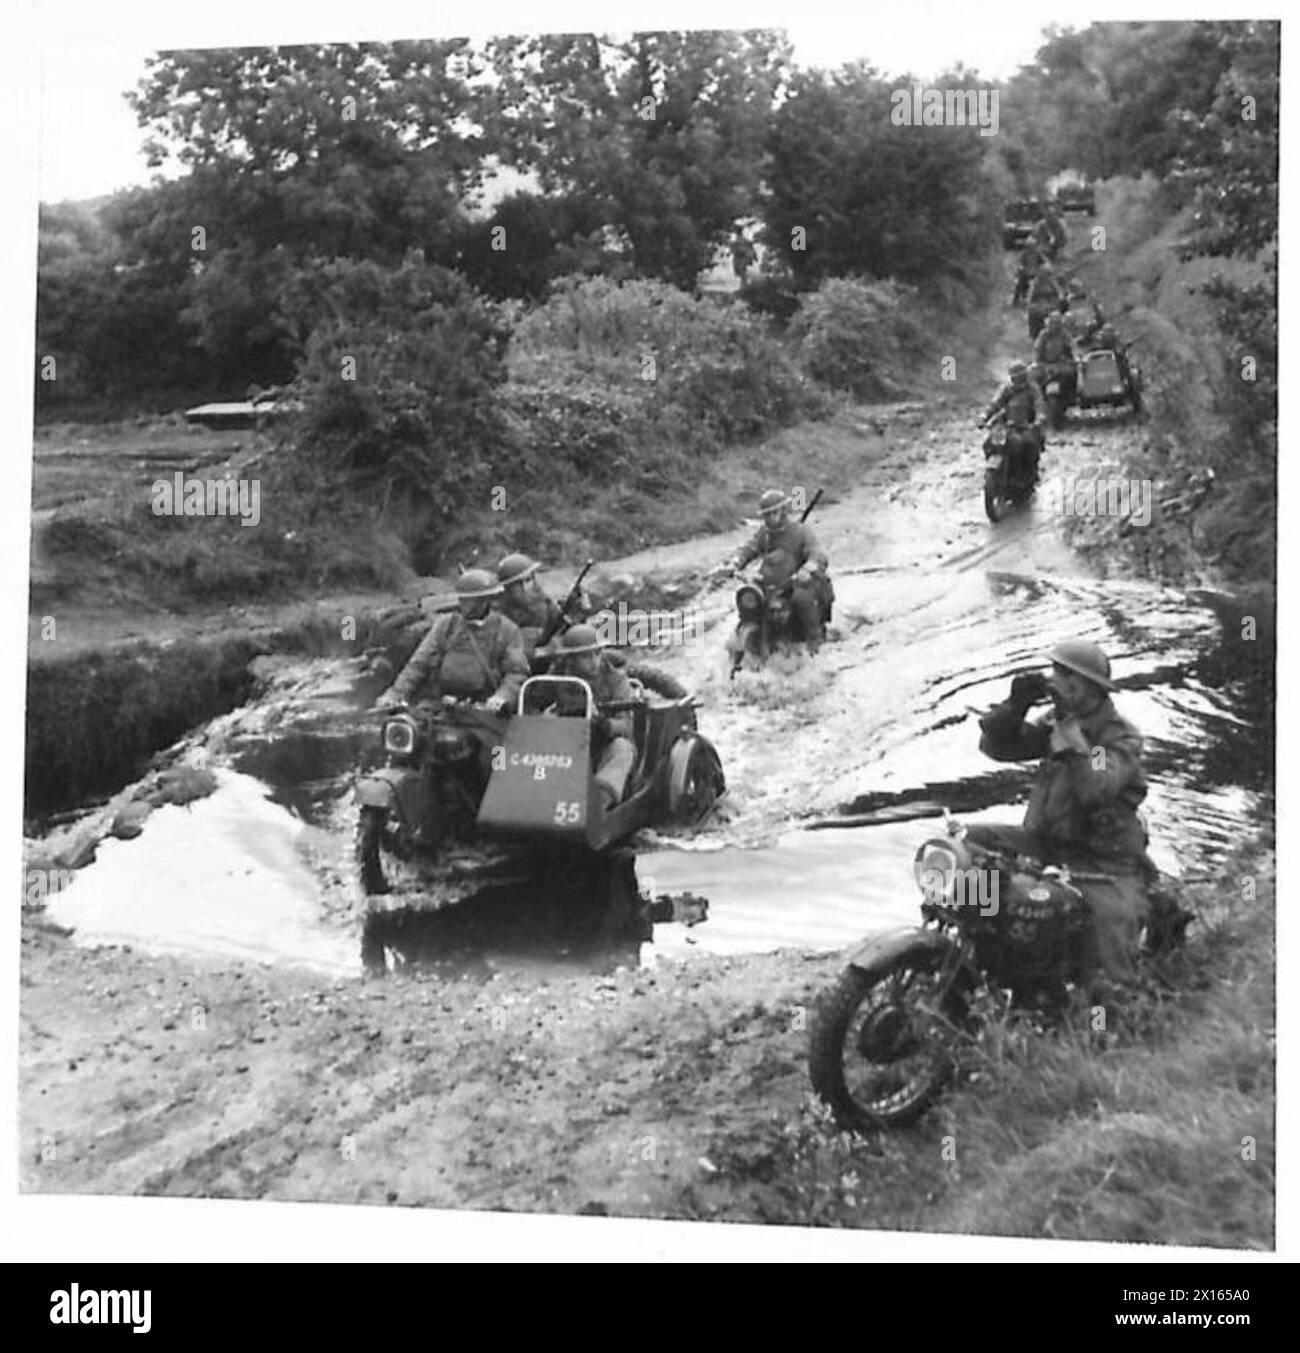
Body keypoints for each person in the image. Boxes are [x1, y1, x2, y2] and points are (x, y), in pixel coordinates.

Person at [973, 639, 1152, 994]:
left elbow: (1096, 786)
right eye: (1056, 672)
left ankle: (1109, 1020)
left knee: (1109, 937)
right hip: (1047, 842)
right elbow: (998, 749)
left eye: (1067, 675)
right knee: (973, 842)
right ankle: (979, 940)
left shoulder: (1118, 737)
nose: (1057, 681)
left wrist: (1071, 745)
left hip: (1102, 862)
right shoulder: (1057, 722)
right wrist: (1015, 707)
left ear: (1091, 688)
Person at [376, 568, 529, 777]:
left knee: (497, 763)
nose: (464, 604)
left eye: (470, 600)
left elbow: (516, 672)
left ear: (486, 601)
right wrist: (395, 694)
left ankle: (492, 807)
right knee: (404, 744)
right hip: (442, 708)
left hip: (484, 715)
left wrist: (501, 697)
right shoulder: (446, 626)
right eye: (463, 599)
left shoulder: (507, 630)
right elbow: (418, 664)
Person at [713, 489, 832, 649]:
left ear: (784, 511)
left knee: (801, 598)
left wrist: (808, 569)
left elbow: (817, 554)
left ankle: (814, 641)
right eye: (766, 515)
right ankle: (741, 646)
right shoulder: (764, 534)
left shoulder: (801, 532)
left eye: (774, 513)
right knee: (749, 600)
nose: (770, 518)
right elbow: (748, 549)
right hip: (771, 583)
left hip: (796, 583)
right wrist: (733, 564)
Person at [541, 624, 639, 812]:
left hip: (601, 745)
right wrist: (543, 718)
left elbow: (626, 725)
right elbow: (532, 701)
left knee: (622, 748)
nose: (594, 661)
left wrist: (603, 723)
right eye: (586, 656)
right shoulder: (557, 677)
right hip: (566, 743)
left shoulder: (616, 680)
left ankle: (599, 803)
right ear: (571, 658)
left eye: (597, 653)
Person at [979, 361, 1046, 479]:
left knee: (1030, 445)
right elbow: (995, 404)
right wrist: (984, 416)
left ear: (1025, 376)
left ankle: (1030, 474)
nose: (1017, 381)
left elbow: (1038, 403)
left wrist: (1039, 418)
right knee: (989, 443)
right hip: (1007, 426)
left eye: (1019, 377)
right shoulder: (1006, 389)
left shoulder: (1033, 389)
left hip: (1026, 426)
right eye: (1014, 378)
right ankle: (994, 467)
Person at [1032, 311, 1078, 409]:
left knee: (1073, 374)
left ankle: (1072, 396)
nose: (1055, 326)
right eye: (1053, 323)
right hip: (1045, 365)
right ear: (1049, 323)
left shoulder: (1064, 334)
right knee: (1035, 379)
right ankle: (1038, 402)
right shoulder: (1044, 335)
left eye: (1057, 323)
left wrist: (1076, 357)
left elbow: (1073, 346)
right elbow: (1037, 348)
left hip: (1061, 365)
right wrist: (1037, 361)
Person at [1026, 262, 1065, 340]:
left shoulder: (1052, 282)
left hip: (1051, 303)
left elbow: (1060, 292)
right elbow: (1030, 297)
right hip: (1039, 304)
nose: (1048, 276)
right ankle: (1033, 332)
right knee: (1032, 311)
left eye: (1049, 274)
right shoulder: (1035, 283)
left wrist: (1060, 298)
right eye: (1046, 274)